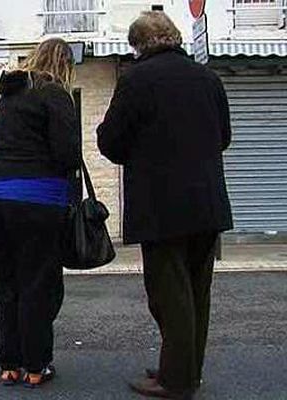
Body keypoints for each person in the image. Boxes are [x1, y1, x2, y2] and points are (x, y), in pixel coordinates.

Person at [97, 11, 233, 400]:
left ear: (138, 45)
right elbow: (224, 136)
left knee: (168, 294)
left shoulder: (136, 80)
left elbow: (111, 141)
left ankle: (176, 382)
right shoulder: (208, 78)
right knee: (196, 291)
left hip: (161, 206)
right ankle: (186, 370)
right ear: (173, 37)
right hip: (207, 203)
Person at [0, 38, 81, 388]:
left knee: (5, 283)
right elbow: (68, 154)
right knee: (38, 283)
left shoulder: (9, 95)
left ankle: (10, 363)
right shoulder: (55, 94)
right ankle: (37, 366)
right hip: (38, 200)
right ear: (65, 64)